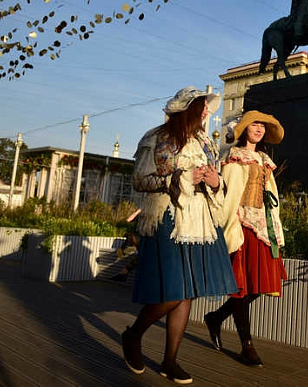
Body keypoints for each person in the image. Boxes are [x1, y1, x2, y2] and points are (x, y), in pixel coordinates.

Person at [122, 86, 238, 384]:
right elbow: (139, 180)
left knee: (186, 292)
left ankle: (169, 360)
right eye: (200, 107)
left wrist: (215, 181)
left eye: (205, 108)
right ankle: (134, 336)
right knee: (173, 290)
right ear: (186, 109)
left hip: (200, 221)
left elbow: (215, 180)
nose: (204, 112)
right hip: (167, 218)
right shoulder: (156, 137)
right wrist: (181, 177)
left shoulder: (204, 143)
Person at [203, 110, 287, 367]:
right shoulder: (234, 157)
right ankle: (246, 345)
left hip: (261, 226)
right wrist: (228, 225)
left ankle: (216, 317)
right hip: (239, 224)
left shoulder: (264, 159)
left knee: (260, 285)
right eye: (254, 124)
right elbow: (227, 193)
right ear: (244, 129)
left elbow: (271, 195)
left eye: (262, 125)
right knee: (241, 286)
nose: (259, 129)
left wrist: (274, 225)